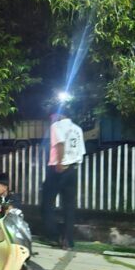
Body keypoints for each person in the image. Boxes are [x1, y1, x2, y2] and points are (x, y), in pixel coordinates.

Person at [41, 107, 85, 250]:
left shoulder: (56, 126)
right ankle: (68, 240)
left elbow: (60, 144)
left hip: (57, 168)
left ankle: (53, 236)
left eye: (52, 116)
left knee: (47, 203)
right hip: (72, 169)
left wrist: (60, 163)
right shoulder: (78, 129)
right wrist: (73, 165)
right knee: (69, 206)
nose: (51, 119)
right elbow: (81, 151)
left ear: (59, 114)